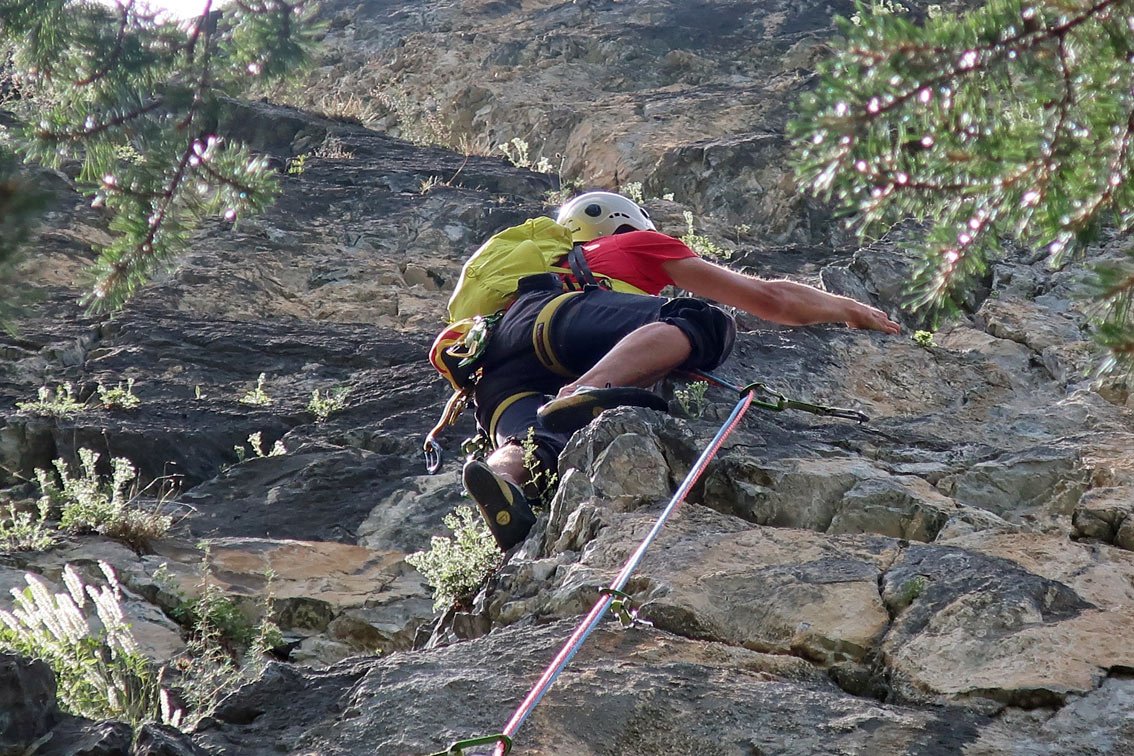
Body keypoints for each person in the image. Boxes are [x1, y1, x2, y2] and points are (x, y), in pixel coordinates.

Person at [460, 191, 901, 551]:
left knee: (535, 443)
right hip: (561, 319)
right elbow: (771, 299)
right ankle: (582, 390)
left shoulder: (528, 271)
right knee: (700, 320)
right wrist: (850, 308)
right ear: (624, 223)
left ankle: (502, 481)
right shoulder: (631, 243)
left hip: (494, 365)